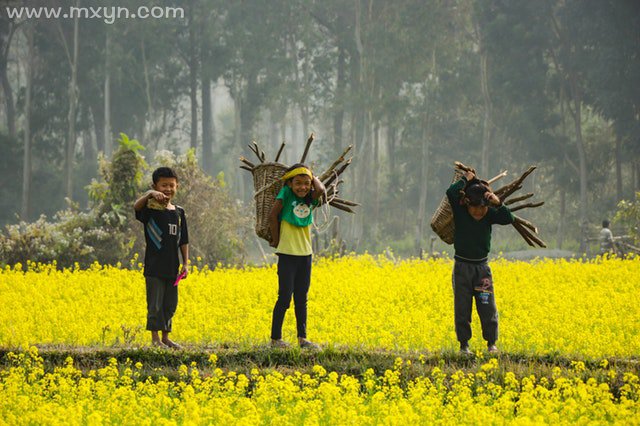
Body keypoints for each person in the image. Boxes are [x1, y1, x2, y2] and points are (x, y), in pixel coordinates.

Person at [446, 169, 515, 355]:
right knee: (462, 308)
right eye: (475, 208)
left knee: (487, 307)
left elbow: (509, 218)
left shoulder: (490, 214)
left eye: (483, 207)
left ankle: (491, 343)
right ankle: (464, 345)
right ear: (467, 203)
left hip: (482, 269)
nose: (479, 212)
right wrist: (465, 179)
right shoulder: (460, 212)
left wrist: (497, 202)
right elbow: (451, 192)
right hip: (462, 268)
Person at [268, 163, 325, 349]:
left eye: (306, 183)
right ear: (290, 184)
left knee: (302, 297)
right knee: (284, 297)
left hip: (305, 254)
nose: (302, 187)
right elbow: (272, 215)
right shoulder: (285, 194)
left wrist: (311, 175)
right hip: (287, 253)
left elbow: (321, 189)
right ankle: (276, 339)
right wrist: (276, 240)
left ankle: (302, 338)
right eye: (298, 183)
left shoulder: (310, 199)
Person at [133, 167, 189, 349]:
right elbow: (136, 207)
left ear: (177, 186)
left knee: (170, 304)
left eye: (171, 185)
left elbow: (184, 240)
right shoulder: (150, 208)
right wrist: (149, 194)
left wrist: (185, 263)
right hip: (154, 266)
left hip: (173, 267)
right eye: (163, 185)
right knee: (155, 304)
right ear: (155, 186)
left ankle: (166, 338)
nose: (168, 189)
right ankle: (155, 339)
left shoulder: (179, 212)